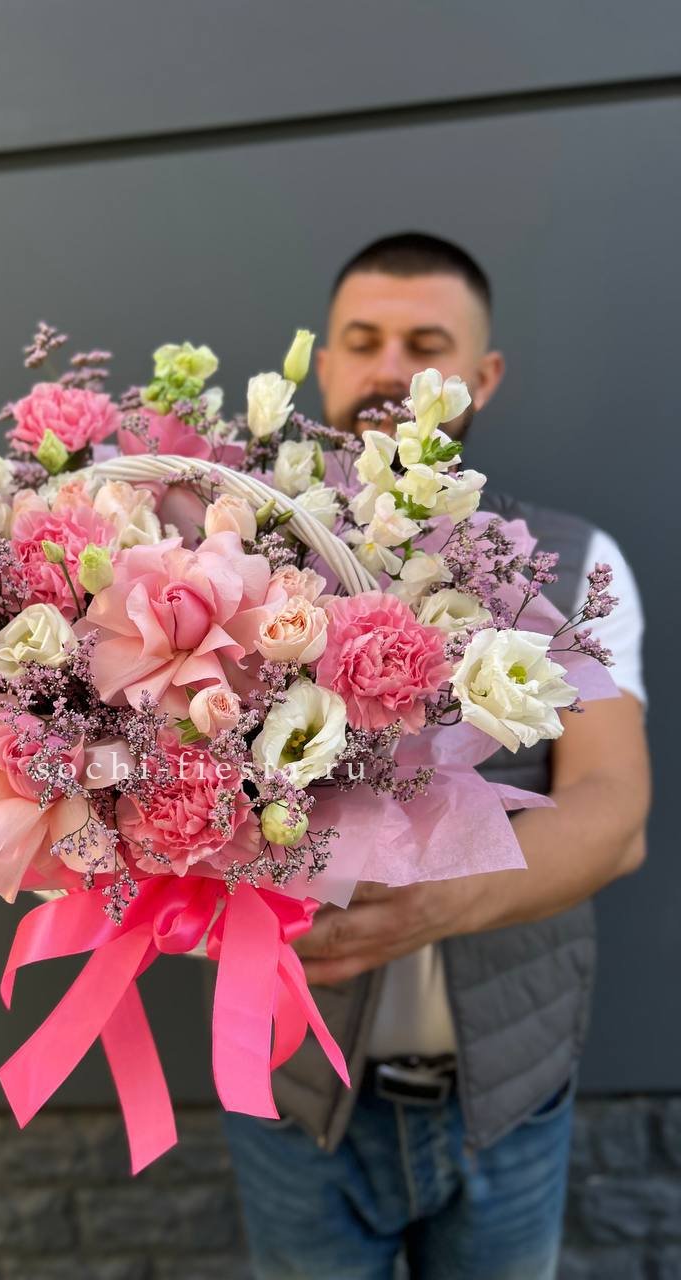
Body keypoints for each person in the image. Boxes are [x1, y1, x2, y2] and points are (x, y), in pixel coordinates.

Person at [222, 233, 651, 1280]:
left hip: (507, 1095)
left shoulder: (571, 566)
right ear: (325, 363)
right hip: (294, 1092)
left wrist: (433, 905)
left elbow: (614, 811)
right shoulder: (230, 555)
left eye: (426, 346)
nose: (391, 370)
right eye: (364, 341)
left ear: (481, 375)